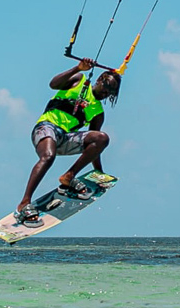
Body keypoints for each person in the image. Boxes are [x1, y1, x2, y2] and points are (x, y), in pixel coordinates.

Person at [16, 58, 122, 228]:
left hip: (65, 138)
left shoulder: (98, 112)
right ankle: (24, 202)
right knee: (48, 157)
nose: (107, 92)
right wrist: (77, 68)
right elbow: (53, 84)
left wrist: (98, 172)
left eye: (111, 92)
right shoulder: (78, 80)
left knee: (102, 137)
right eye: (107, 86)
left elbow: (94, 146)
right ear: (100, 79)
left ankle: (69, 176)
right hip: (46, 128)